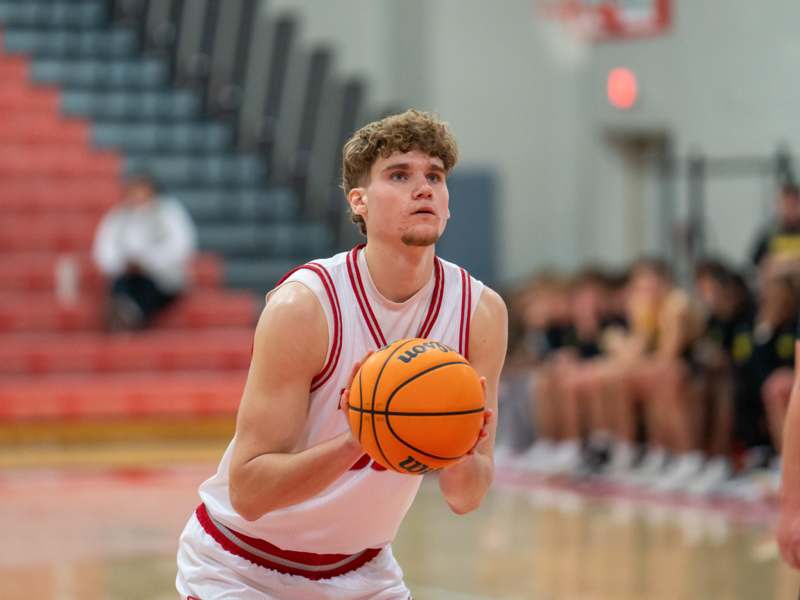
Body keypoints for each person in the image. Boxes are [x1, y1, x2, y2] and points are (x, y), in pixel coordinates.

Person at [175, 110, 508, 599]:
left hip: (363, 574)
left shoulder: (480, 313)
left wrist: (460, 452)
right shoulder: (306, 306)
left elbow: (465, 497)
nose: (424, 188)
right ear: (360, 201)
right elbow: (248, 492)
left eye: (434, 176)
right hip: (240, 565)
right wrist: (359, 439)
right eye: (399, 175)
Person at [91, 172, 197, 331]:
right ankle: (127, 314)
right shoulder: (119, 216)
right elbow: (104, 251)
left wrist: (147, 262)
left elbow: (181, 246)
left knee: (148, 289)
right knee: (122, 286)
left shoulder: (169, 213)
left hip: (161, 279)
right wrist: (124, 264)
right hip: (127, 277)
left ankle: (129, 316)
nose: (138, 196)